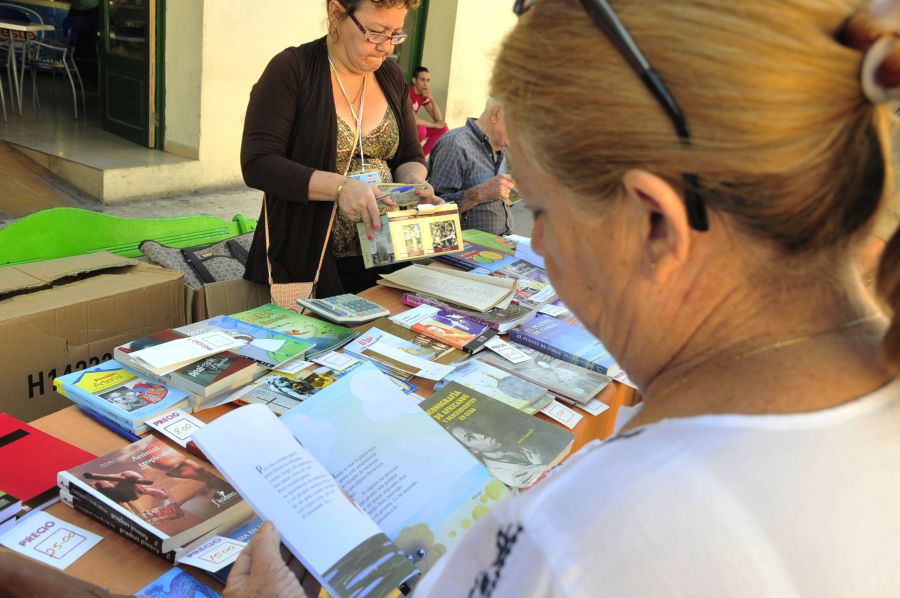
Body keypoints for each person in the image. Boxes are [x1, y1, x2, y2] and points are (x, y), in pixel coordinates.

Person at [241, 0, 442, 296]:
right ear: (336, 13)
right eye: (376, 32)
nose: (387, 47)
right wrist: (339, 188)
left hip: (384, 251)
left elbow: (410, 154)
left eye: (396, 34)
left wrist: (413, 182)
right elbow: (258, 163)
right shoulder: (292, 69)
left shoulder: (391, 76)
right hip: (308, 259)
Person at [428, 98, 515, 235]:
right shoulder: (455, 144)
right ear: (495, 114)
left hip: (503, 245)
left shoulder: (500, 147)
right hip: (469, 251)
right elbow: (432, 211)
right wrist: (479, 194)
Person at [409, 66, 449, 156]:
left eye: (428, 80)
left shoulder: (423, 96)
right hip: (403, 130)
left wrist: (432, 99)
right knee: (421, 130)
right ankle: (409, 155)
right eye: (422, 80)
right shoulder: (408, 93)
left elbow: (438, 118)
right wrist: (434, 125)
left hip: (412, 128)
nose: (426, 84)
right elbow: (414, 120)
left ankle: (420, 156)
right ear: (414, 81)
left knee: (443, 129)